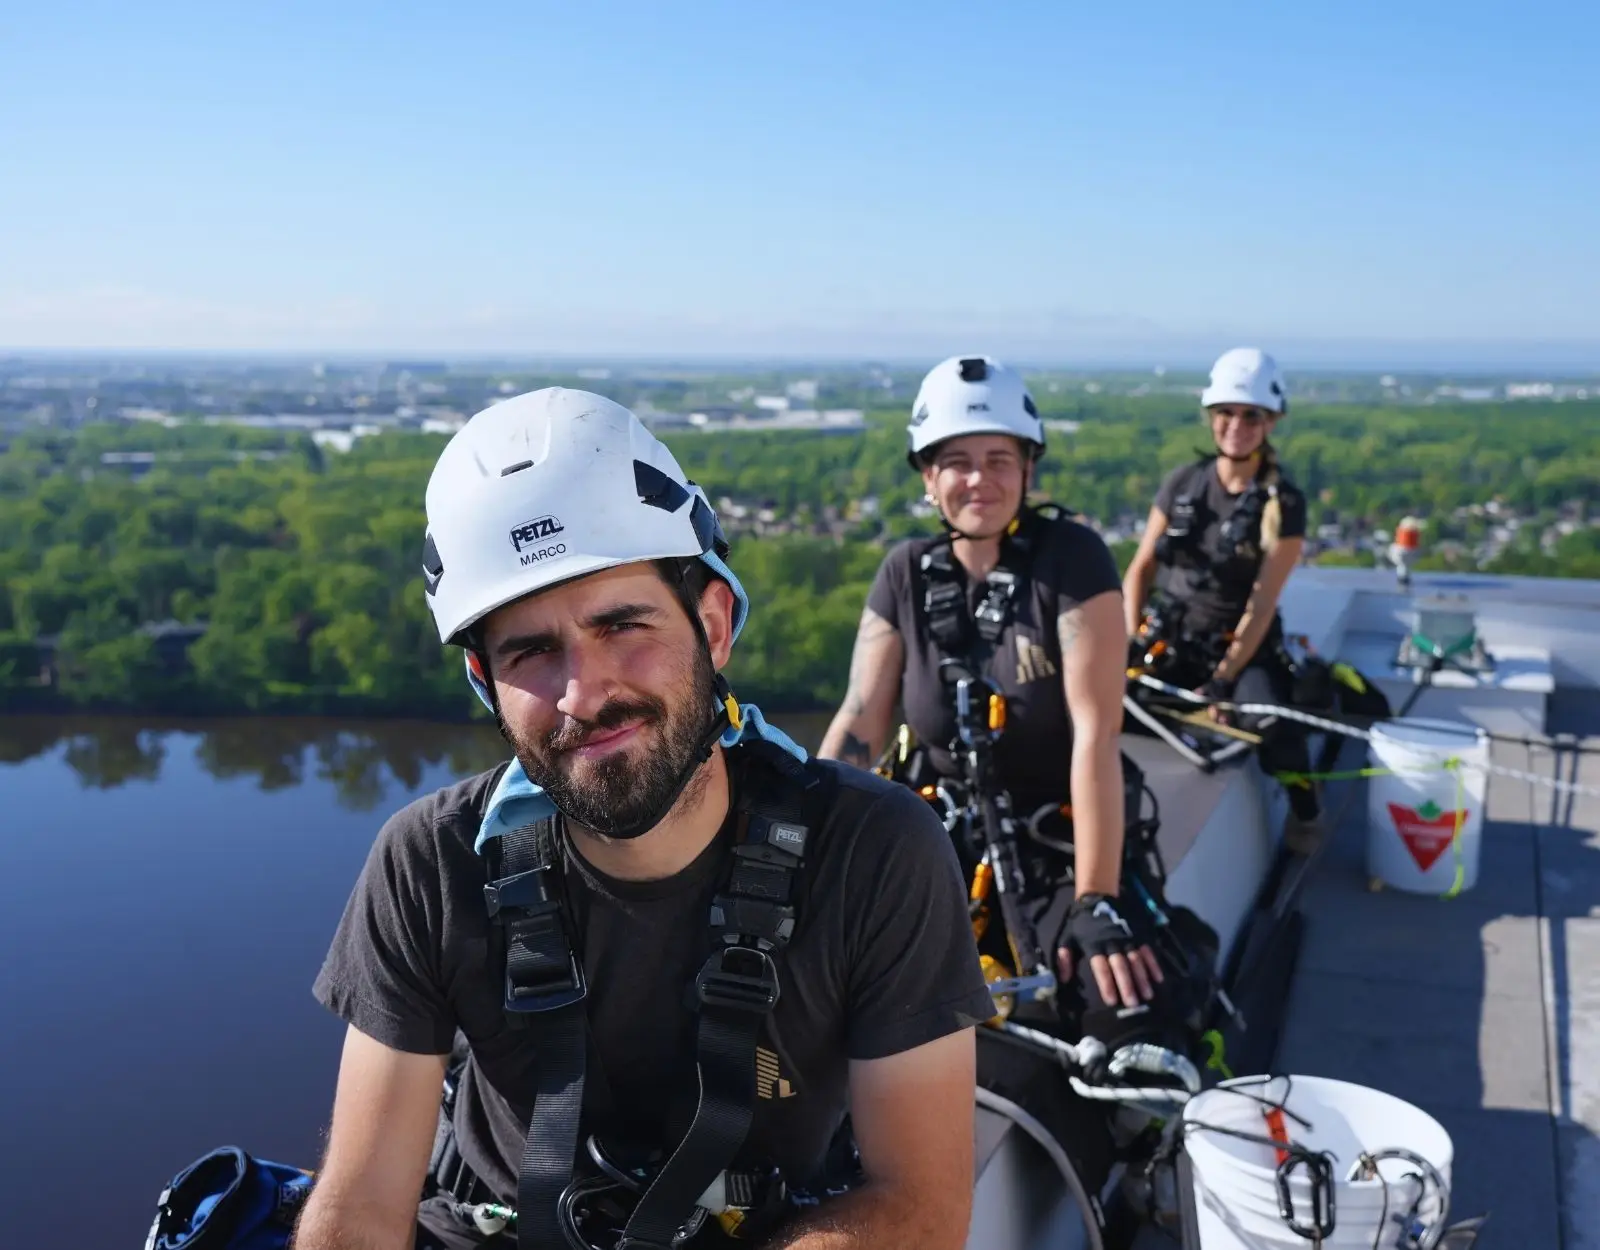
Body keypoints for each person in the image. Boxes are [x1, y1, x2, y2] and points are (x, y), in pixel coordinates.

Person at [293, 389, 997, 1250]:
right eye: (532, 652)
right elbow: (362, 1206)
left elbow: (920, 1206)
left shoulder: (875, 854)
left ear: (713, 623)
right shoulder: (431, 863)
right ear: (487, 683)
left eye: (623, 624)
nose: (584, 695)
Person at [817, 355, 1163, 1016]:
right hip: (935, 836)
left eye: (999, 459)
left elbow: (1097, 733)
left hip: (1053, 840)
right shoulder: (905, 574)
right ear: (928, 476)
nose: (980, 479)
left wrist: (1096, 898)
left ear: (1028, 469)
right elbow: (859, 722)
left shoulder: (1071, 557)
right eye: (958, 461)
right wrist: (800, 842)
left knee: (1108, 1005)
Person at [1121, 346, 1322, 853]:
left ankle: (1305, 811)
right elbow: (1142, 567)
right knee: (1110, 706)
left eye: (1250, 415)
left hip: (1238, 645)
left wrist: (1225, 680)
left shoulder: (1283, 503)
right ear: (1212, 417)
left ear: (1270, 421)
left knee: (1272, 723)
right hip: (1171, 637)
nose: (1236, 425)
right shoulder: (1184, 484)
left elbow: (1261, 602)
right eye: (1226, 413)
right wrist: (1126, 640)